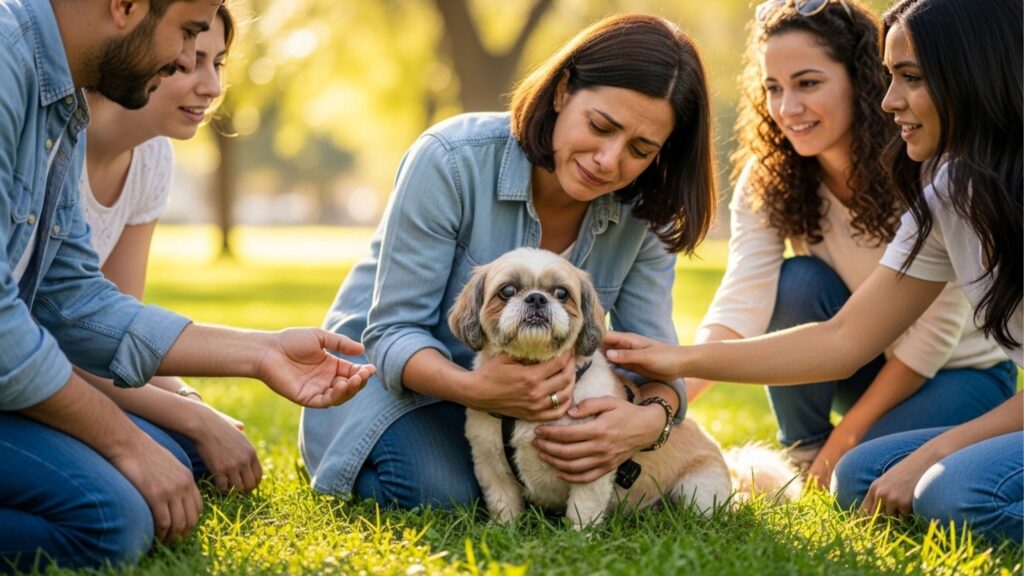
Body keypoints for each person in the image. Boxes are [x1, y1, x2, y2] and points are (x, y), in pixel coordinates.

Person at [604, 0, 1021, 543]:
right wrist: (671, 376)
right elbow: (840, 336)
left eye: (910, 78)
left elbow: (929, 337)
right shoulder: (949, 189)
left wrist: (925, 450)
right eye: (774, 88)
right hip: (880, 365)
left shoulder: (927, 176)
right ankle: (810, 453)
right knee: (862, 478)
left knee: (951, 493)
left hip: (961, 375)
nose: (890, 100)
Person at [0, 0, 373, 571]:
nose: (186, 60)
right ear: (125, 6)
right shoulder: (6, 62)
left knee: (156, 479)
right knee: (112, 521)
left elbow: (74, 300)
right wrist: (124, 443)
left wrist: (262, 351)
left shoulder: (63, 102)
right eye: (188, 33)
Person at [300, 13, 717, 508]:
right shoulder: (450, 159)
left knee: (491, 483)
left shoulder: (642, 211)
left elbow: (655, 358)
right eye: (601, 126)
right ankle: (344, 453)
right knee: (443, 494)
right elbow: (391, 332)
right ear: (563, 91)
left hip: (525, 413)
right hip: (399, 384)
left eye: (640, 149)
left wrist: (648, 422)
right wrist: (478, 389)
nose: (609, 159)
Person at [75, 4, 261, 499]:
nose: (212, 87)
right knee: (171, 455)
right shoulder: (58, 143)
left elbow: (115, 330)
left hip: (81, 365)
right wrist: (192, 417)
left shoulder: (152, 156)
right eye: (186, 61)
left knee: (192, 455)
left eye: (217, 63)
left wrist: (190, 398)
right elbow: (63, 339)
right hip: (39, 375)